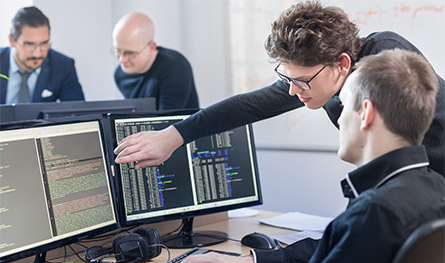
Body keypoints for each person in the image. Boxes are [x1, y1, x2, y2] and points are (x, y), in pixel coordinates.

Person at [156, 49, 445, 263]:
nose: (339, 117)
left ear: (365, 113)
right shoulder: (433, 190)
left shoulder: (373, 215)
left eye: (343, 105)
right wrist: (255, 262)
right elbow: (346, 254)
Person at [114, 1, 445, 177]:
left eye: (301, 82)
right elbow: (252, 105)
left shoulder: (385, 63)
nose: (292, 92)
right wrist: (174, 136)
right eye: (289, 79)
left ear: (342, 65)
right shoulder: (321, 80)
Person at [112, 12, 199, 110]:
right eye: (118, 50)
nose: (122, 60)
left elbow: (168, 121)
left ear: (151, 47)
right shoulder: (120, 74)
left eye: (130, 53)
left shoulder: (175, 68)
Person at [0, 6, 85, 104]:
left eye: (44, 43)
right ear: (12, 41)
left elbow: (78, 114)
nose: (37, 54)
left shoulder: (63, 66)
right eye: (29, 44)